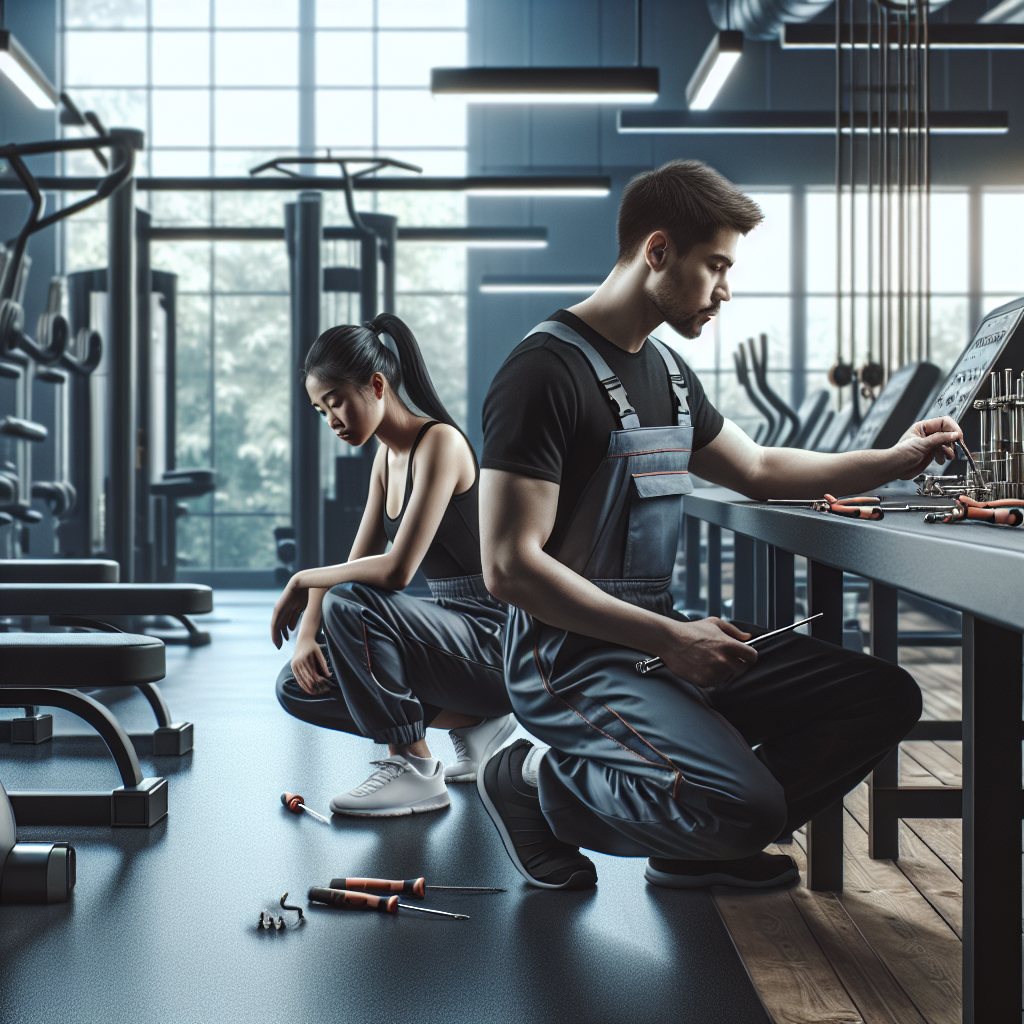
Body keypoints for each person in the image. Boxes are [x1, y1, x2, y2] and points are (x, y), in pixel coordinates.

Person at [475, 159, 953, 891]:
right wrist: (670, 638)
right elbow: (508, 568)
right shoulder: (542, 372)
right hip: (566, 658)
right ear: (658, 251)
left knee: (880, 697)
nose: (725, 291)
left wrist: (895, 460)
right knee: (746, 806)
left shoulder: (667, 372)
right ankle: (536, 778)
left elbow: (758, 468)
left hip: (651, 640)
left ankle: (694, 840)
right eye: (717, 267)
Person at [272, 313, 516, 817]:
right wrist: (307, 635)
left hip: (493, 640)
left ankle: (413, 766)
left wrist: (304, 580)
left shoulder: (441, 443)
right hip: (452, 639)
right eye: (321, 411)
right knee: (297, 685)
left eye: (335, 401)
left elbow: (396, 571)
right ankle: (475, 722)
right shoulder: (386, 458)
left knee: (351, 603)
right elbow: (356, 561)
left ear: (377, 385)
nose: (332, 420)